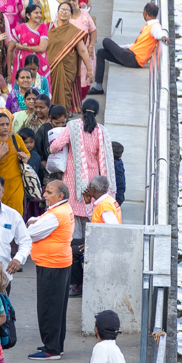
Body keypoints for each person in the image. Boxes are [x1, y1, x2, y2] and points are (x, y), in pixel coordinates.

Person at [48, 99, 115, 295]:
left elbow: (54, 147)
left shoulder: (72, 127)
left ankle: (75, 284)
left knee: (74, 239)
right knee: (92, 237)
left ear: (80, 109)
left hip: (74, 186)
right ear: (97, 111)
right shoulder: (101, 131)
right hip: (94, 189)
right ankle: (92, 282)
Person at [27, 180, 74, 360]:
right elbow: (38, 222)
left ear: (60, 196)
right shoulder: (62, 209)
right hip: (59, 263)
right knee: (58, 308)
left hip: (51, 266)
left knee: (48, 308)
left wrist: (32, 224)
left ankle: (51, 349)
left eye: (49, 192)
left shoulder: (56, 214)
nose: (44, 195)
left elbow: (31, 232)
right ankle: (56, 344)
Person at [91, 1, 165, 92]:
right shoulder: (147, 26)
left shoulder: (154, 26)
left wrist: (163, 37)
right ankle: (98, 87)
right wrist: (118, 48)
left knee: (106, 41)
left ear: (145, 12)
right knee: (101, 53)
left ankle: (98, 86)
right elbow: (135, 45)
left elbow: (158, 33)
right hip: (130, 55)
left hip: (133, 59)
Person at [45, 2, 89, 113]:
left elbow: (82, 50)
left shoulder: (74, 31)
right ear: (57, 12)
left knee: (65, 92)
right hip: (49, 67)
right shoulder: (48, 26)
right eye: (62, 10)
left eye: (67, 10)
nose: (64, 12)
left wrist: (89, 70)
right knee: (48, 91)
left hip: (67, 68)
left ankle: (62, 117)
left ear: (70, 14)